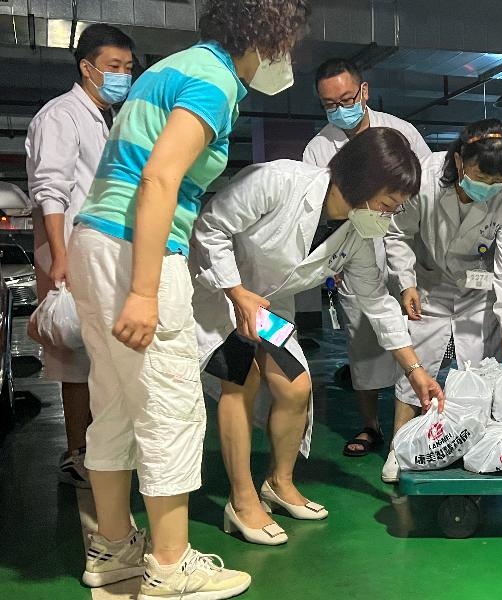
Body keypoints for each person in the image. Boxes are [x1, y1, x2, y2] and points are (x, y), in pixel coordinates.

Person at [67, 1, 309, 598]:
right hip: (136, 247)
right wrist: (144, 290)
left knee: (116, 404)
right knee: (170, 408)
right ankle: (171, 565)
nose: (289, 58)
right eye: (290, 43)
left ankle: (113, 550)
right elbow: (159, 177)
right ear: (267, 35)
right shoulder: (214, 80)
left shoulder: (175, 66)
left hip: (99, 238)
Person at [191, 127, 444, 545]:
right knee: (242, 379)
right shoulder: (277, 181)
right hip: (219, 295)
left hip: (268, 308)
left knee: (295, 388)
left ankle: (279, 483)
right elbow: (210, 227)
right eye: (387, 204)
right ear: (361, 180)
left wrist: (415, 370)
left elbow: (377, 302)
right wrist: (235, 291)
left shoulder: (358, 230)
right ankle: (241, 500)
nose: (389, 215)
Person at [382, 119, 502, 483]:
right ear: (459, 160)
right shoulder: (424, 179)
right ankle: (400, 447)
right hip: (428, 282)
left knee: (479, 369)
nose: (488, 187)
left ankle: (472, 444)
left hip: (479, 288)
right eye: (481, 177)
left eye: (496, 180)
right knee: (418, 362)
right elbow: (397, 235)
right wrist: (406, 283)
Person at [303, 58, 432, 458]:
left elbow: (423, 194)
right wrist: (332, 262)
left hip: (405, 247)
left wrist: (416, 265)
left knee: (414, 337)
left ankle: (412, 424)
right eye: (329, 104)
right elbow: (317, 216)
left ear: (364, 91)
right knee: (362, 344)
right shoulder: (319, 147)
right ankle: (370, 425)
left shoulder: (401, 133)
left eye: (346, 99)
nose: (340, 109)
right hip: (353, 250)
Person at [25, 24, 134, 488]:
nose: (123, 76)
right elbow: (51, 189)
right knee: (75, 356)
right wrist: (60, 257)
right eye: (114, 67)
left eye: (128, 67)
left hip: (105, 254)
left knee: (102, 355)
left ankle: (104, 448)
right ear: (87, 68)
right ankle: (77, 453)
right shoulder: (61, 115)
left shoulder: (106, 119)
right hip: (71, 252)